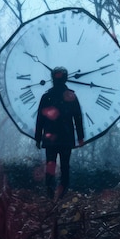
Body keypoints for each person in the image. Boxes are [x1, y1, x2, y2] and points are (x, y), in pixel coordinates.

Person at [35, 67, 85, 199]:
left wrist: (38, 138)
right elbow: (77, 118)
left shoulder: (47, 96)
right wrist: (80, 137)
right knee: (65, 167)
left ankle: (50, 193)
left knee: (50, 165)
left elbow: (40, 119)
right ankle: (61, 194)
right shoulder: (71, 96)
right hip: (66, 138)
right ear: (66, 78)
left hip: (50, 138)